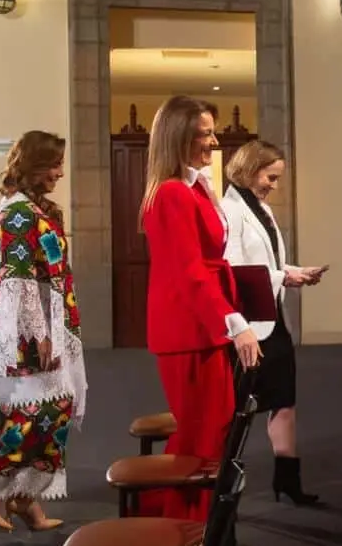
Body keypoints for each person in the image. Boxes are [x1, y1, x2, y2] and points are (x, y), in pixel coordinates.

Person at [0, 130, 87, 532]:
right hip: (20, 329)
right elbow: (17, 278)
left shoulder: (33, 208)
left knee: (52, 411)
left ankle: (23, 497)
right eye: (52, 164)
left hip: (44, 320)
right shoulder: (17, 212)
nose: (59, 173)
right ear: (31, 166)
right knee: (28, 413)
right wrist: (39, 333)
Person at [140, 96, 261, 522]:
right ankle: (172, 528)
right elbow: (191, 273)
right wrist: (236, 325)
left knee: (212, 431)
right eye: (204, 133)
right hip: (188, 330)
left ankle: (189, 527)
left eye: (212, 132)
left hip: (203, 325)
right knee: (199, 437)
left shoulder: (193, 187)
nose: (214, 141)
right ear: (179, 138)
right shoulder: (172, 194)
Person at [221, 140, 327, 505]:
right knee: (239, 408)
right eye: (270, 177)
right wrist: (286, 279)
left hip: (272, 319)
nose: (274, 186)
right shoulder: (229, 211)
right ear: (250, 170)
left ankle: (288, 480)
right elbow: (234, 272)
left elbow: (267, 263)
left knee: (284, 400)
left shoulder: (261, 209)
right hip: (247, 327)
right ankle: (219, 482)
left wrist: (295, 272)